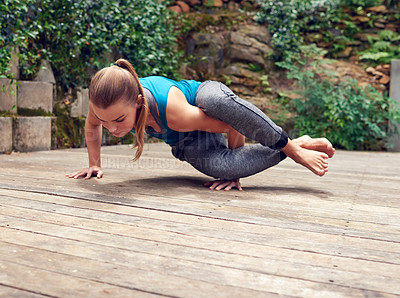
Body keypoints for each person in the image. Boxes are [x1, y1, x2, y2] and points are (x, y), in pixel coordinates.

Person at [66, 59, 335, 191]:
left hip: (203, 101)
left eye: (119, 120)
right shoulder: (102, 104)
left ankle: (292, 148)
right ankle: (300, 143)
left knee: (219, 102)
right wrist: (95, 164)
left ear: (138, 102)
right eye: (106, 120)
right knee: (219, 168)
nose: (112, 129)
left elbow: (231, 125)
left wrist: (235, 170)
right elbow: (92, 127)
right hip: (188, 142)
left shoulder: (175, 112)